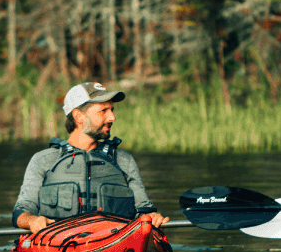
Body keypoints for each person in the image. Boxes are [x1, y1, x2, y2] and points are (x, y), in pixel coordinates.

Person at [13, 81, 169, 233]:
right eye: (103, 111)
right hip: (57, 244)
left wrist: (153, 217)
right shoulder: (42, 160)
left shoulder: (124, 161)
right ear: (79, 116)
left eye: (112, 110)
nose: (112, 117)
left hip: (115, 245)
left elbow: (144, 211)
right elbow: (21, 212)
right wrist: (32, 220)